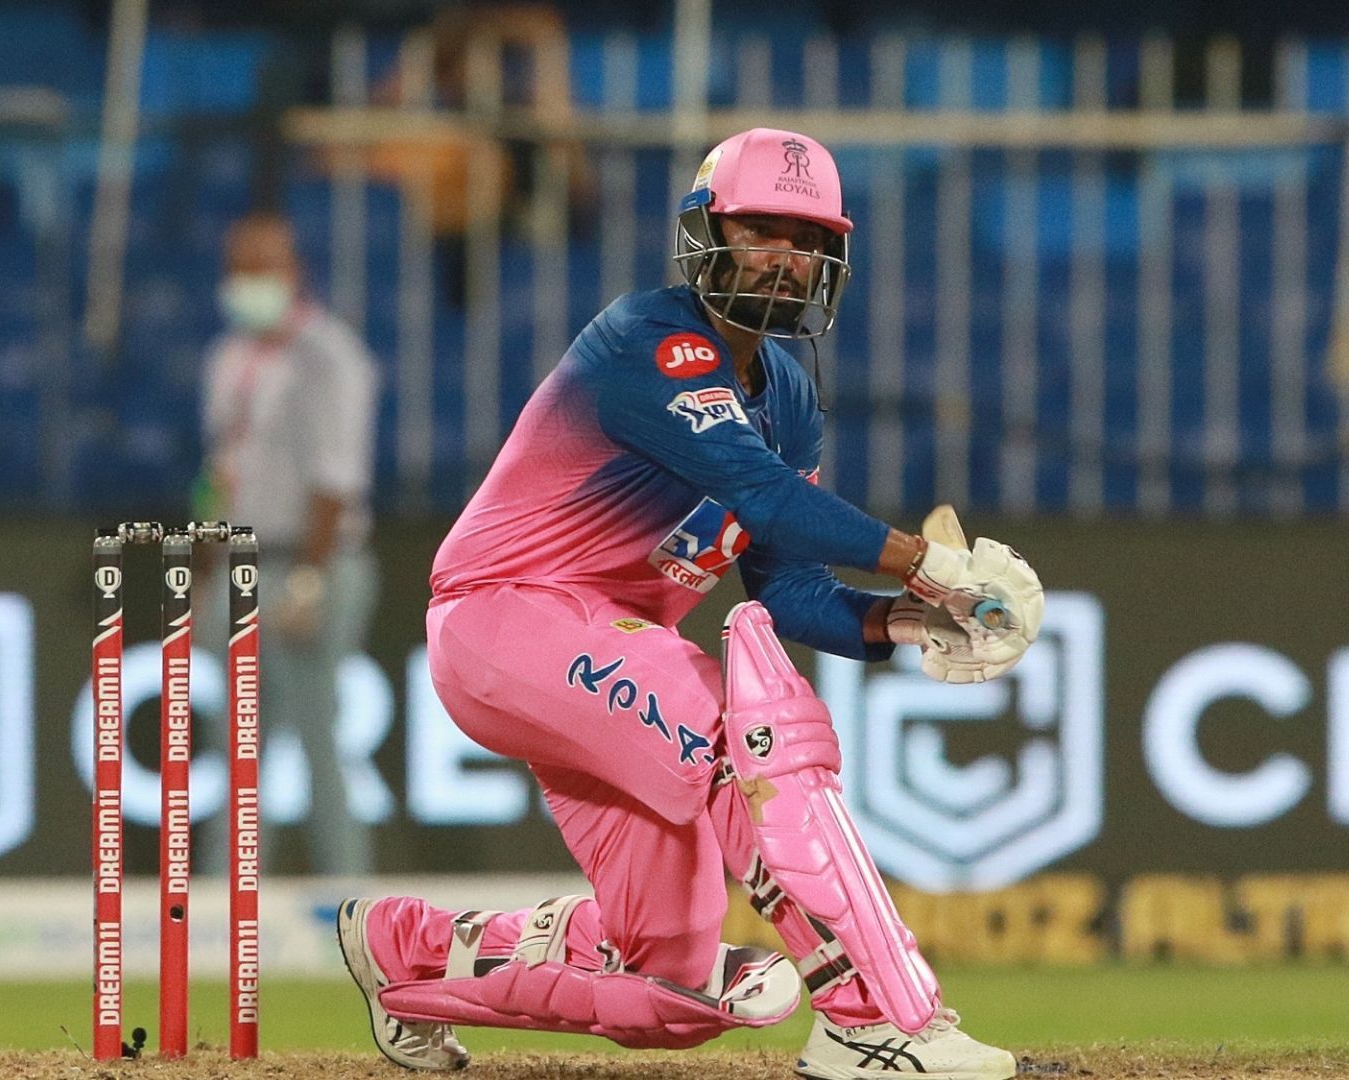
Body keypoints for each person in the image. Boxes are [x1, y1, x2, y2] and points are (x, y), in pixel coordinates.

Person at [333, 128, 1043, 1079]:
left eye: (806, 238)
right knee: (744, 736)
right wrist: (930, 564)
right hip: (509, 617)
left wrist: (912, 620)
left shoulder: (788, 395)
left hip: (602, 662)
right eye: (761, 230)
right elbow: (767, 496)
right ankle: (876, 1019)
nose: (784, 257)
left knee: (666, 984)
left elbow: (789, 589)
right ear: (704, 232)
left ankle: (405, 950)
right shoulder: (649, 342)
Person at [198, 211, 381, 876]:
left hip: (314, 562)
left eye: (261, 269)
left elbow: (335, 476)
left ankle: (349, 893)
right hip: (243, 564)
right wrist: (207, 567)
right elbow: (218, 474)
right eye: (238, 271)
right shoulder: (226, 358)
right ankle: (229, 895)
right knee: (237, 745)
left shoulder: (329, 355)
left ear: (292, 273)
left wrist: (310, 578)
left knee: (318, 739)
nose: (248, 283)